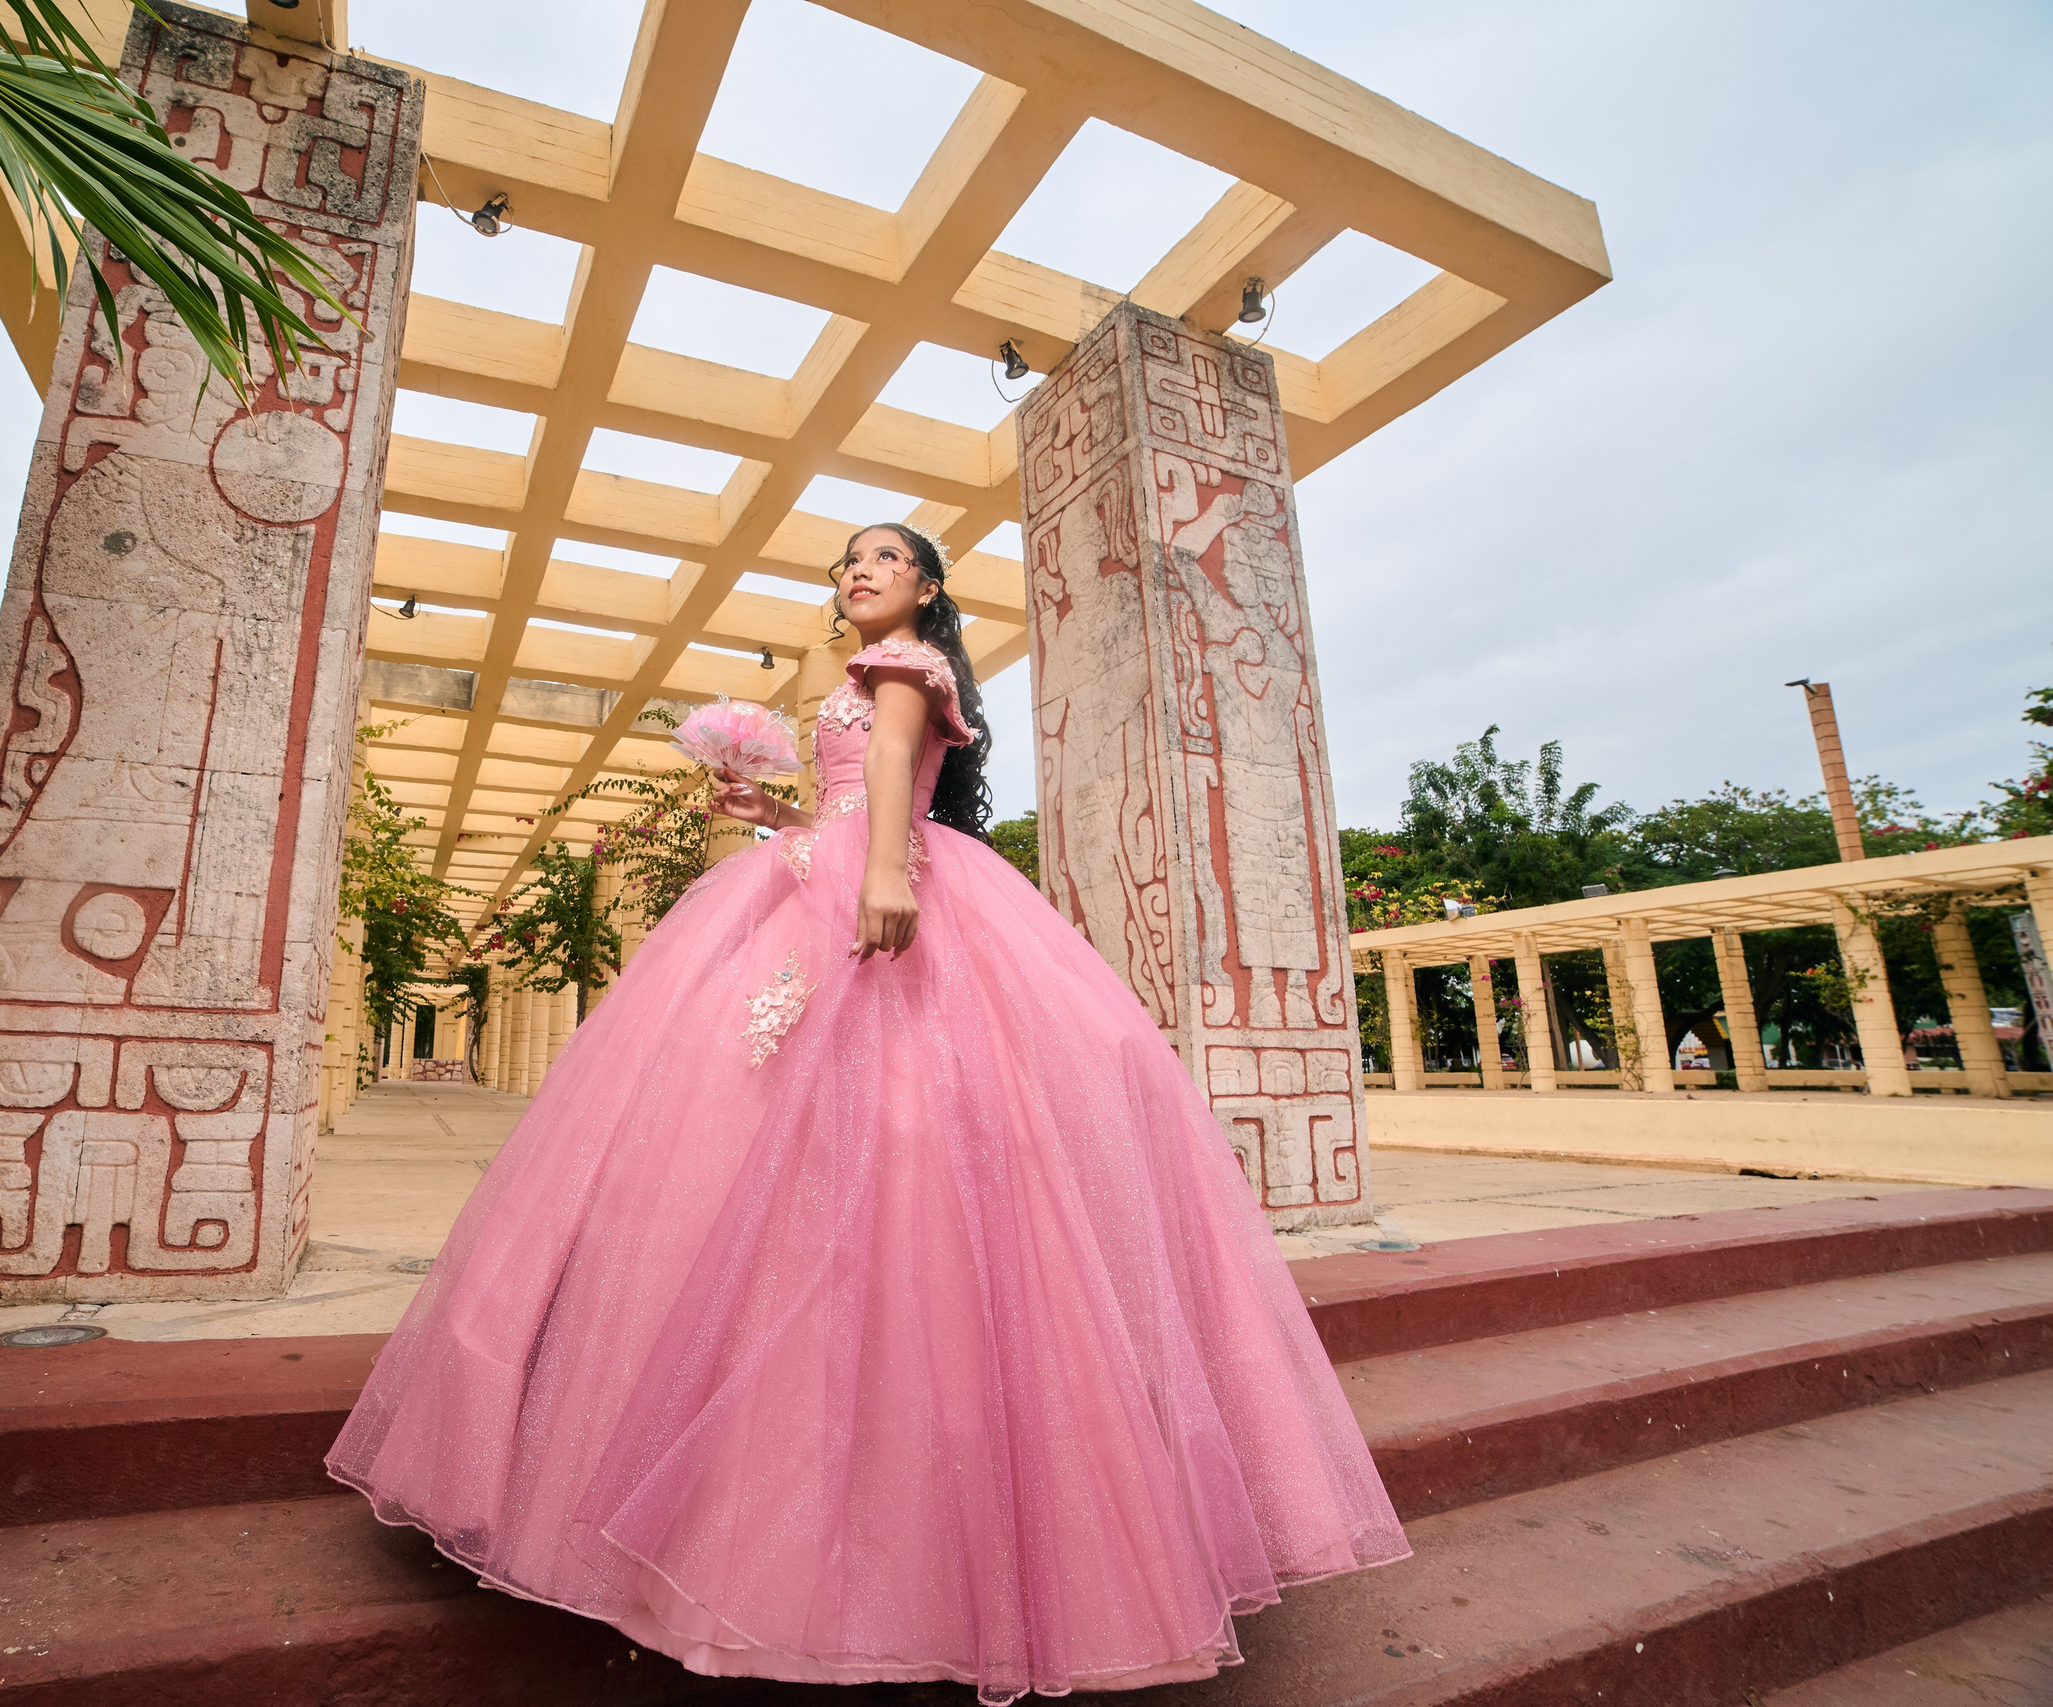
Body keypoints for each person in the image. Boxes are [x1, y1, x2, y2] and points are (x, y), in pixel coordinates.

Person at [327, 523, 1407, 1701]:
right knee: (757, 1142)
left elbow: (890, 776)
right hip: (815, 882)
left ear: (928, 590)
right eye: (846, 562)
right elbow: (840, 799)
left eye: (882, 560)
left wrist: (884, 875)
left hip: (889, 888)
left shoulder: (909, 669)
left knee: (900, 1130)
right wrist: (760, 811)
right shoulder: (844, 680)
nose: (857, 573)